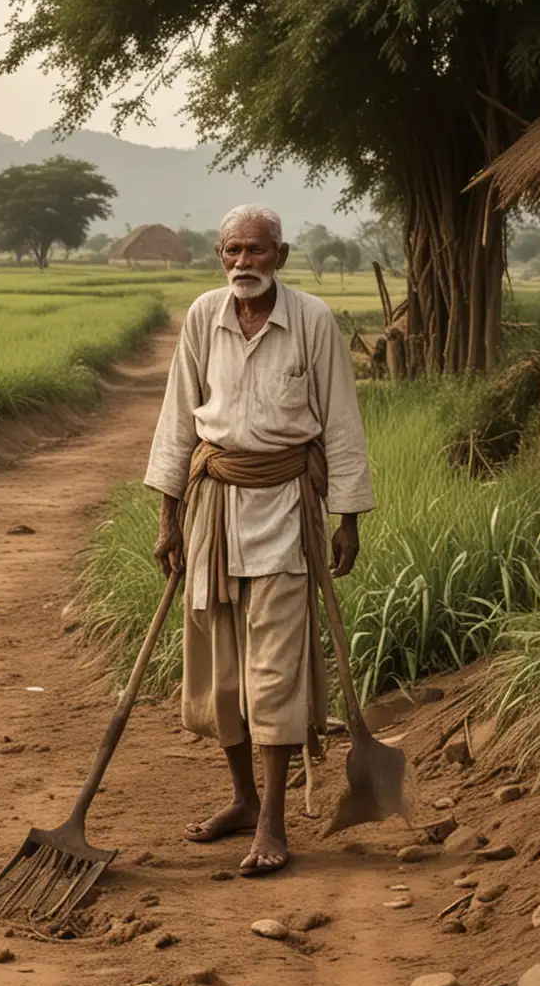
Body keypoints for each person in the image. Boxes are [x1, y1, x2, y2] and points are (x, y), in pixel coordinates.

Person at [144, 204, 373, 875]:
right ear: (221, 257)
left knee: (272, 672)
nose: (243, 262)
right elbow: (175, 423)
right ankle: (242, 800)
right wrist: (167, 519)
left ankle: (272, 823)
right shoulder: (202, 317)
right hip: (212, 508)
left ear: (281, 254)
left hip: (285, 510)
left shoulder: (313, 322)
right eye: (232, 251)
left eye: (256, 250)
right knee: (221, 671)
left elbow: (341, 425)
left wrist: (348, 517)